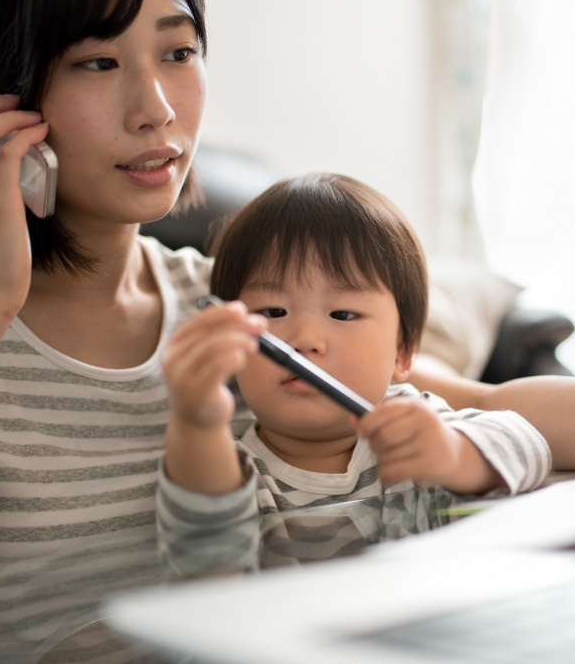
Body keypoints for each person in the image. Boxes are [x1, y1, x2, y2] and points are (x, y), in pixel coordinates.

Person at [0, 0, 575, 604]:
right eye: (98, 62)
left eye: (178, 51)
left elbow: (457, 402)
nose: (158, 109)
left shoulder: (231, 306)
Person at [157, 173, 551, 573]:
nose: (305, 340)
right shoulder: (227, 469)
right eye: (273, 312)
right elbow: (206, 570)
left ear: (403, 351)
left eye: (343, 313)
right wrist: (197, 422)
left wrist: (454, 454)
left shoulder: (413, 423)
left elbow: (528, 444)